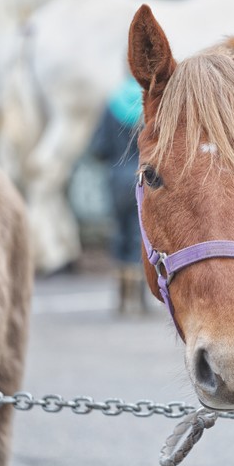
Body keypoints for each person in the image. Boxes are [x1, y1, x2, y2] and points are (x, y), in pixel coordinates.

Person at [90, 76, 146, 314]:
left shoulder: (112, 104)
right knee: (139, 236)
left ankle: (122, 298)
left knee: (120, 234)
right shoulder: (148, 104)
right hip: (142, 180)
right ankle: (138, 301)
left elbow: (98, 147)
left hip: (115, 180)